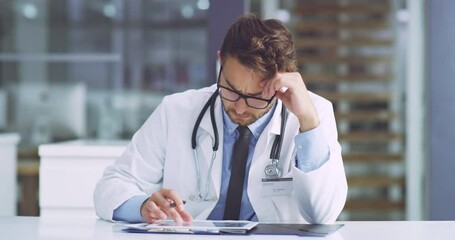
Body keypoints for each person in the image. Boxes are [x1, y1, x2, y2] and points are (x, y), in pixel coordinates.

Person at [94, 14, 347, 224]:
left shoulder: (313, 114)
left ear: (283, 82)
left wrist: (308, 123)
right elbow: (110, 187)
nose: (239, 107)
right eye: (230, 89)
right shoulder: (176, 111)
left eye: (256, 96)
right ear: (219, 64)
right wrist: (143, 206)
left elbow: (323, 215)